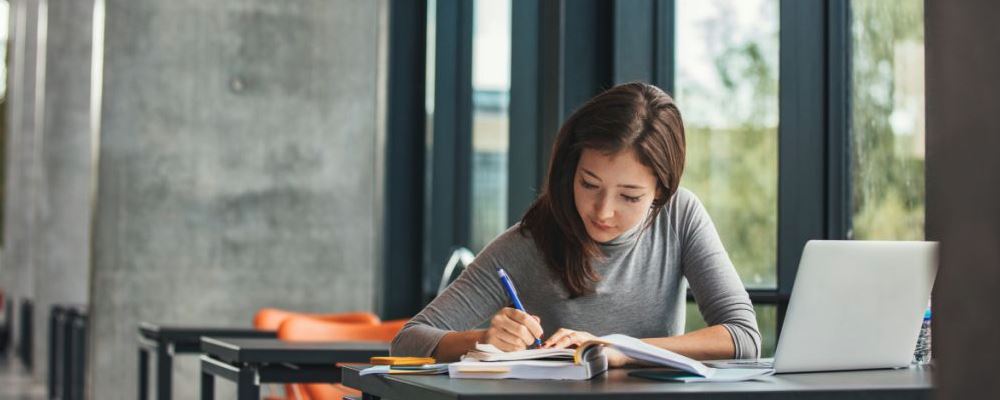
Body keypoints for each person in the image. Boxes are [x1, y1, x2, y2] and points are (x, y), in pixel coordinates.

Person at [391, 82, 760, 366]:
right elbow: (407, 340)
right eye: (589, 184)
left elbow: (743, 337)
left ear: (661, 192)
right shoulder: (530, 242)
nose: (603, 211)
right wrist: (483, 339)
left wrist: (618, 348)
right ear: (571, 170)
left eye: (629, 197)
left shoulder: (679, 216)